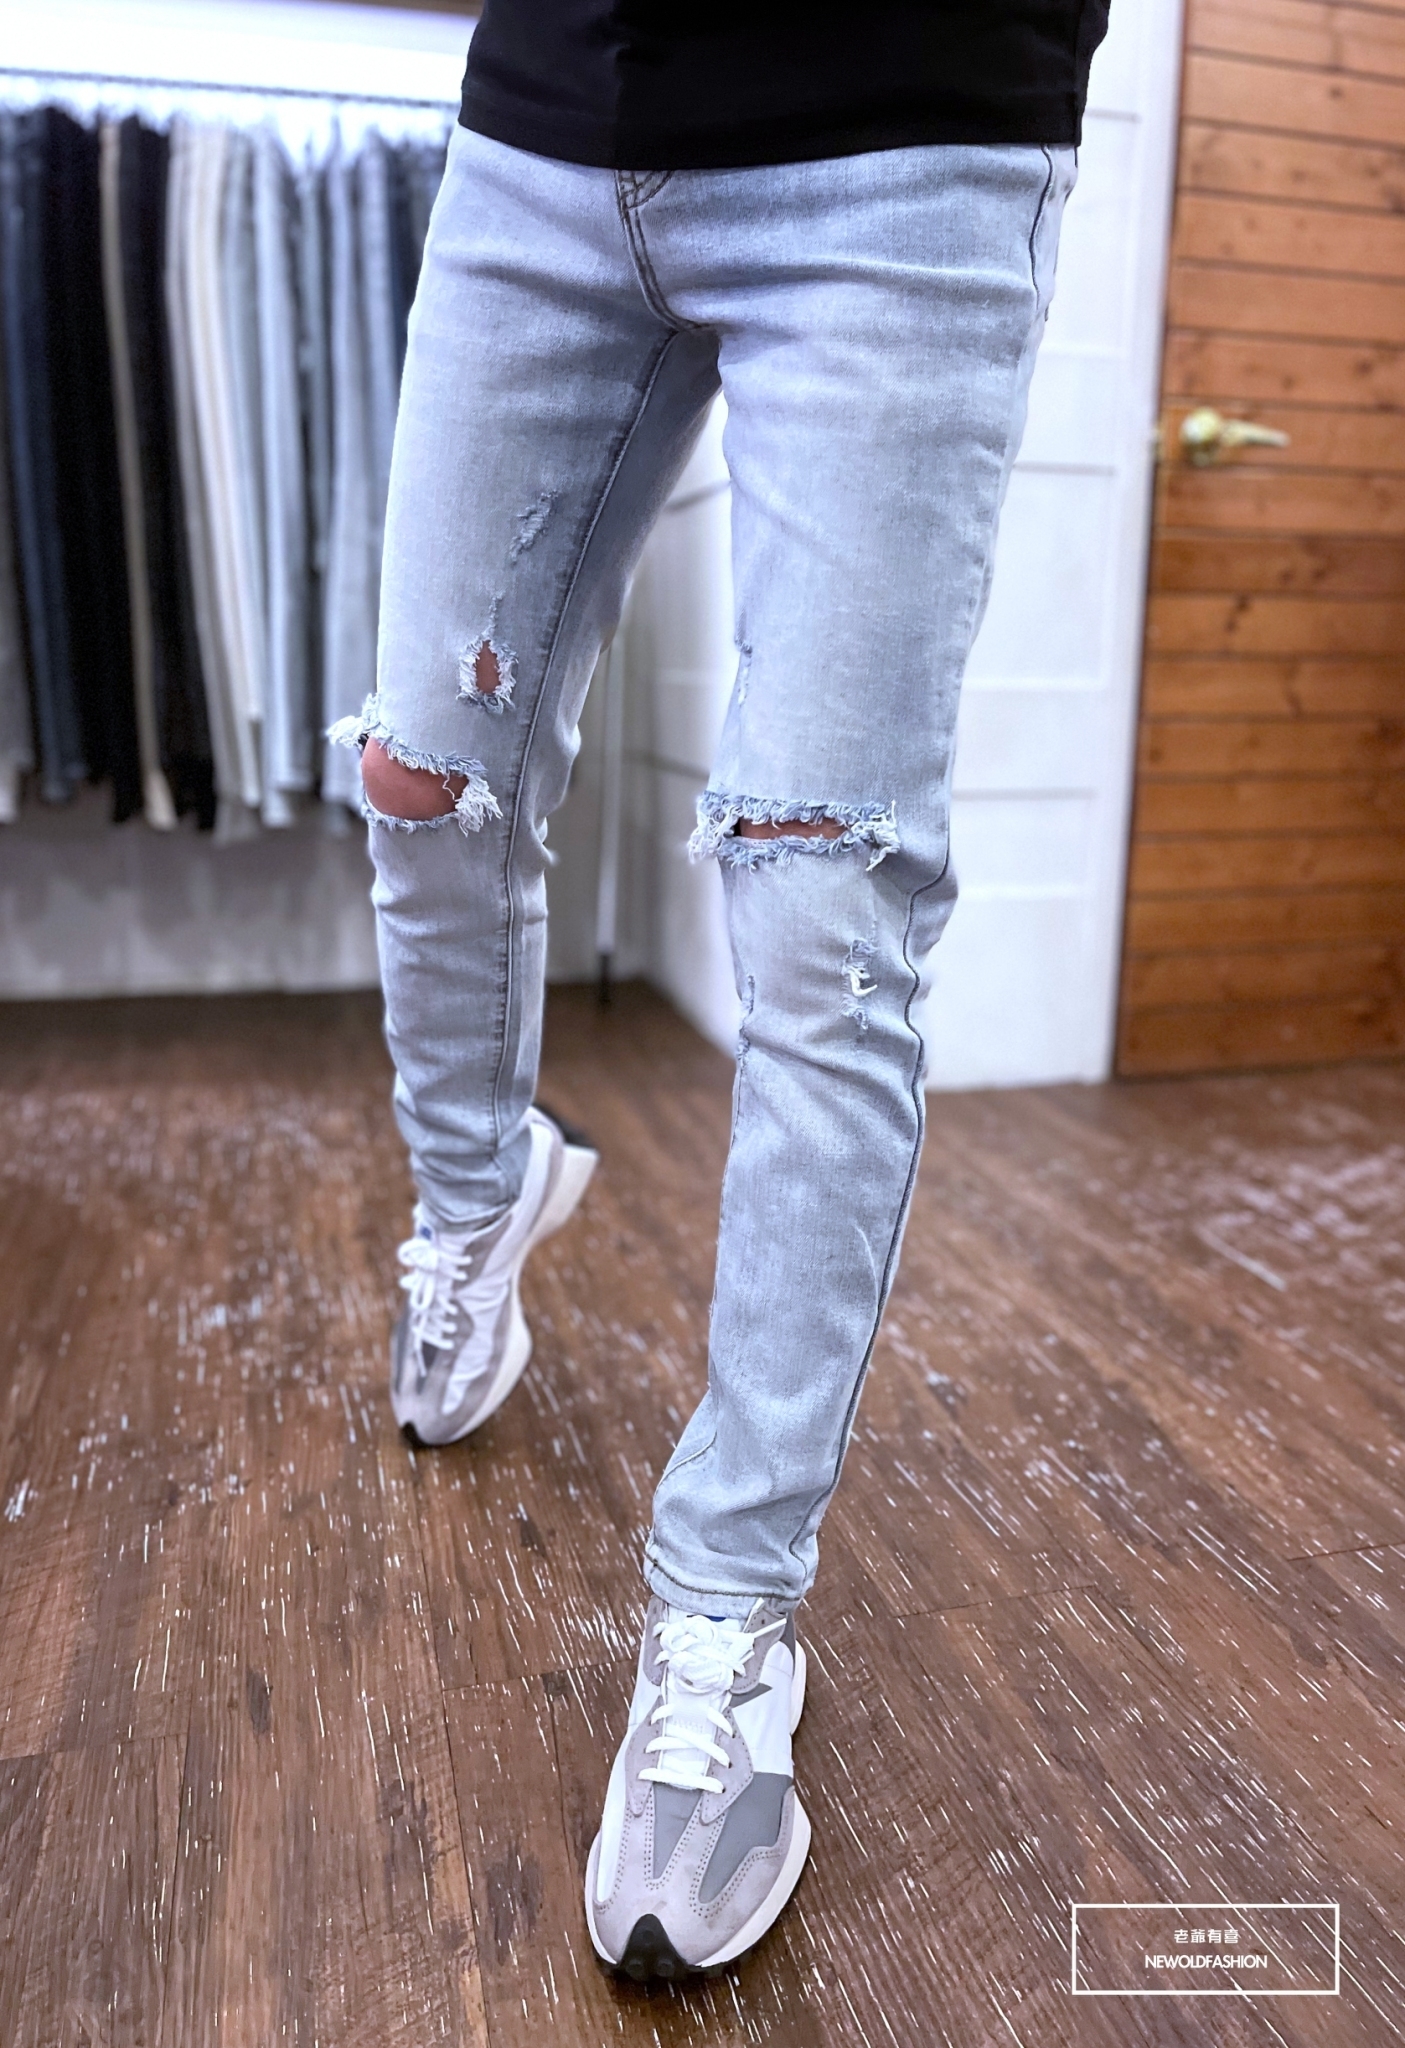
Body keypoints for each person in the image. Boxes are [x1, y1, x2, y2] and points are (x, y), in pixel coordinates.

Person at [331, 0, 1108, 1983]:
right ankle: (477, 1194)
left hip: (907, 138)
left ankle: (727, 1616)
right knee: (423, 768)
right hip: (549, 121)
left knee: (820, 894)